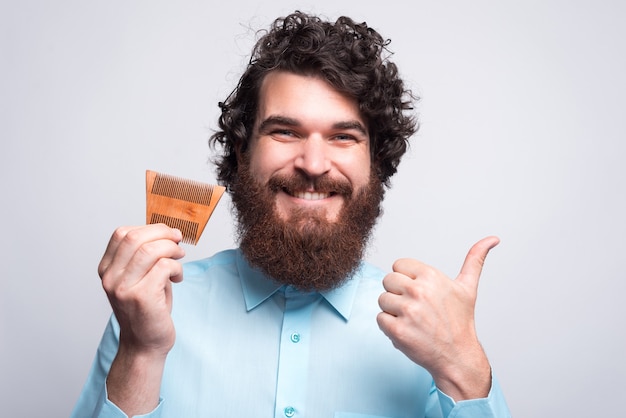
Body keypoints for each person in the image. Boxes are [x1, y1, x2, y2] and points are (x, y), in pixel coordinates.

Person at [72, 11, 511, 418]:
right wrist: (142, 351)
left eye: (343, 136)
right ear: (242, 151)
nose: (314, 164)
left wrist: (463, 367)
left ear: (375, 161)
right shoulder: (152, 310)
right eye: (285, 131)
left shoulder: (432, 330)